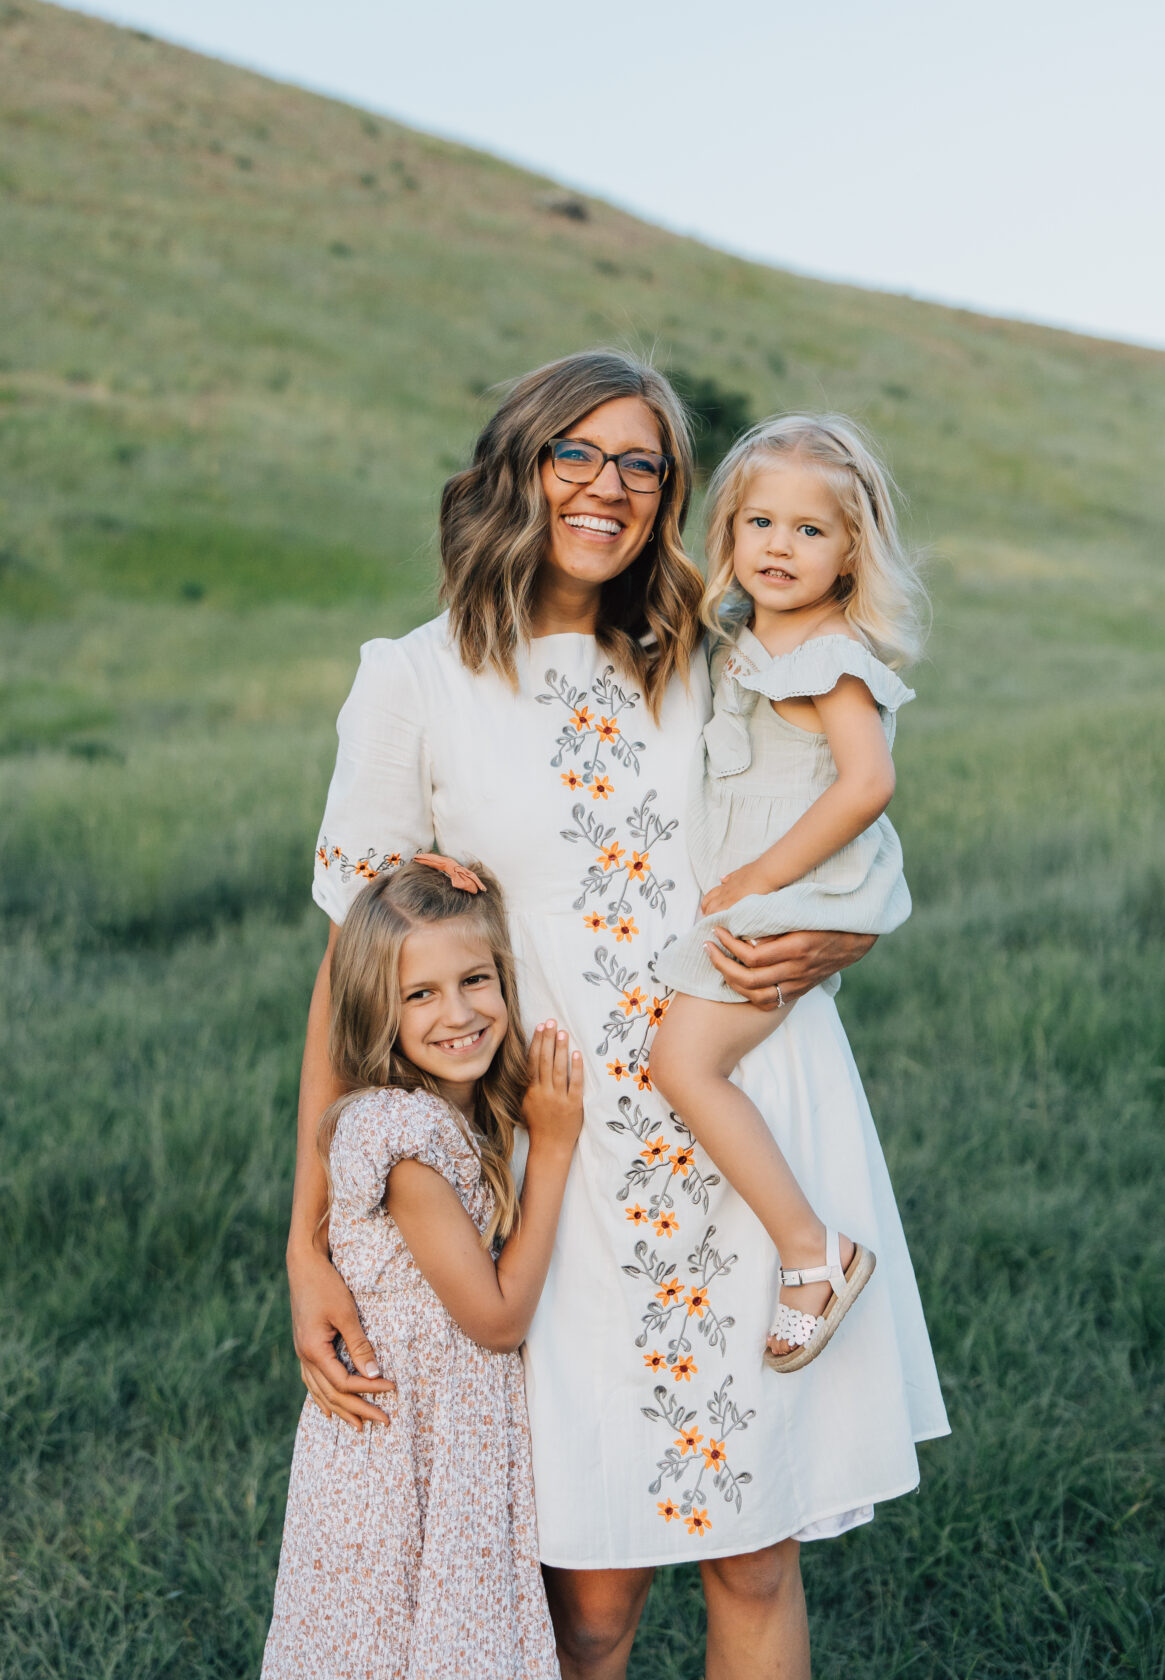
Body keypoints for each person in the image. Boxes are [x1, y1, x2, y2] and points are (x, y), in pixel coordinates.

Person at [286, 349, 949, 1680]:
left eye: (642, 462)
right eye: (575, 453)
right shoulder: (414, 679)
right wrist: (313, 1240)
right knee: (587, 1595)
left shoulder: (710, 657)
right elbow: (355, 987)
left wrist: (843, 934)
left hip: (753, 1121)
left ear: (670, 494)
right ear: (514, 468)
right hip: (560, 1161)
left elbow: (840, 815)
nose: (608, 485)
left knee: (753, 1558)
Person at [650, 414, 924, 1374]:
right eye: (761, 522)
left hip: (788, 894)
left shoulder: (830, 661)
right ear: (728, 530)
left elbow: (867, 783)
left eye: (810, 531)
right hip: (767, 884)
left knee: (683, 1064)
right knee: (693, 1063)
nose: (780, 546)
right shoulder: (745, 645)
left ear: (852, 553)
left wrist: (760, 878)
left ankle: (815, 1254)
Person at [262, 855, 578, 1679]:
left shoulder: (454, 1116)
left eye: (477, 980)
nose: (460, 1013)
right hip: (401, 1461)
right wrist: (554, 1147)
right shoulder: (404, 1144)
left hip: (439, 1447)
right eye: (421, 995)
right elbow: (497, 1318)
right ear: (378, 1009)